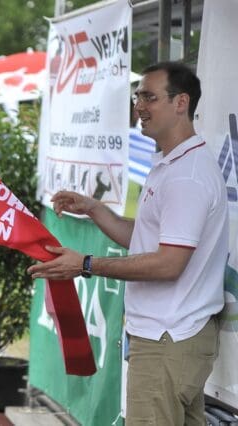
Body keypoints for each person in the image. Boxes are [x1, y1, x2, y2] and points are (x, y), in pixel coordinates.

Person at [28, 62, 228, 425]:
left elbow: (168, 263)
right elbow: (149, 237)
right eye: (138, 96)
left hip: (168, 340)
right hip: (176, 339)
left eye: (150, 97)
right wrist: (93, 209)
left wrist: (86, 264)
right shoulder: (174, 163)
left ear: (181, 102)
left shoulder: (187, 175)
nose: (139, 106)